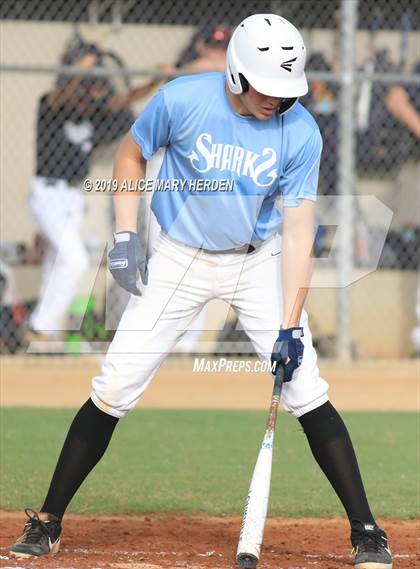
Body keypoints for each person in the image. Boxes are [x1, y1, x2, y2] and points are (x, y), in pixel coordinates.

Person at [11, 14, 392, 569]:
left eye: (289, 90)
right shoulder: (183, 99)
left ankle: (366, 531)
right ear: (237, 73)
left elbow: (297, 230)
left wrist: (291, 322)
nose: (278, 101)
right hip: (178, 259)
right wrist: (123, 235)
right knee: (114, 387)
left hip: (256, 263)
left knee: (307, 389)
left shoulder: (300, 130)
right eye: (269, 87)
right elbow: (129, 154)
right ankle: (47, 521)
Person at [26, 41, 160, 344]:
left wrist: (153, 82)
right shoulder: (51, 104)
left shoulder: (93, 113)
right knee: (75, 259)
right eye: (87, 88)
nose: (92, 96)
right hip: (47, 192)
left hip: (74, 197)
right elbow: (64, 93)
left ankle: (42, 333)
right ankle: (41, 326)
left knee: (57, 261)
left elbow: (123, 100)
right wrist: (79, 71)